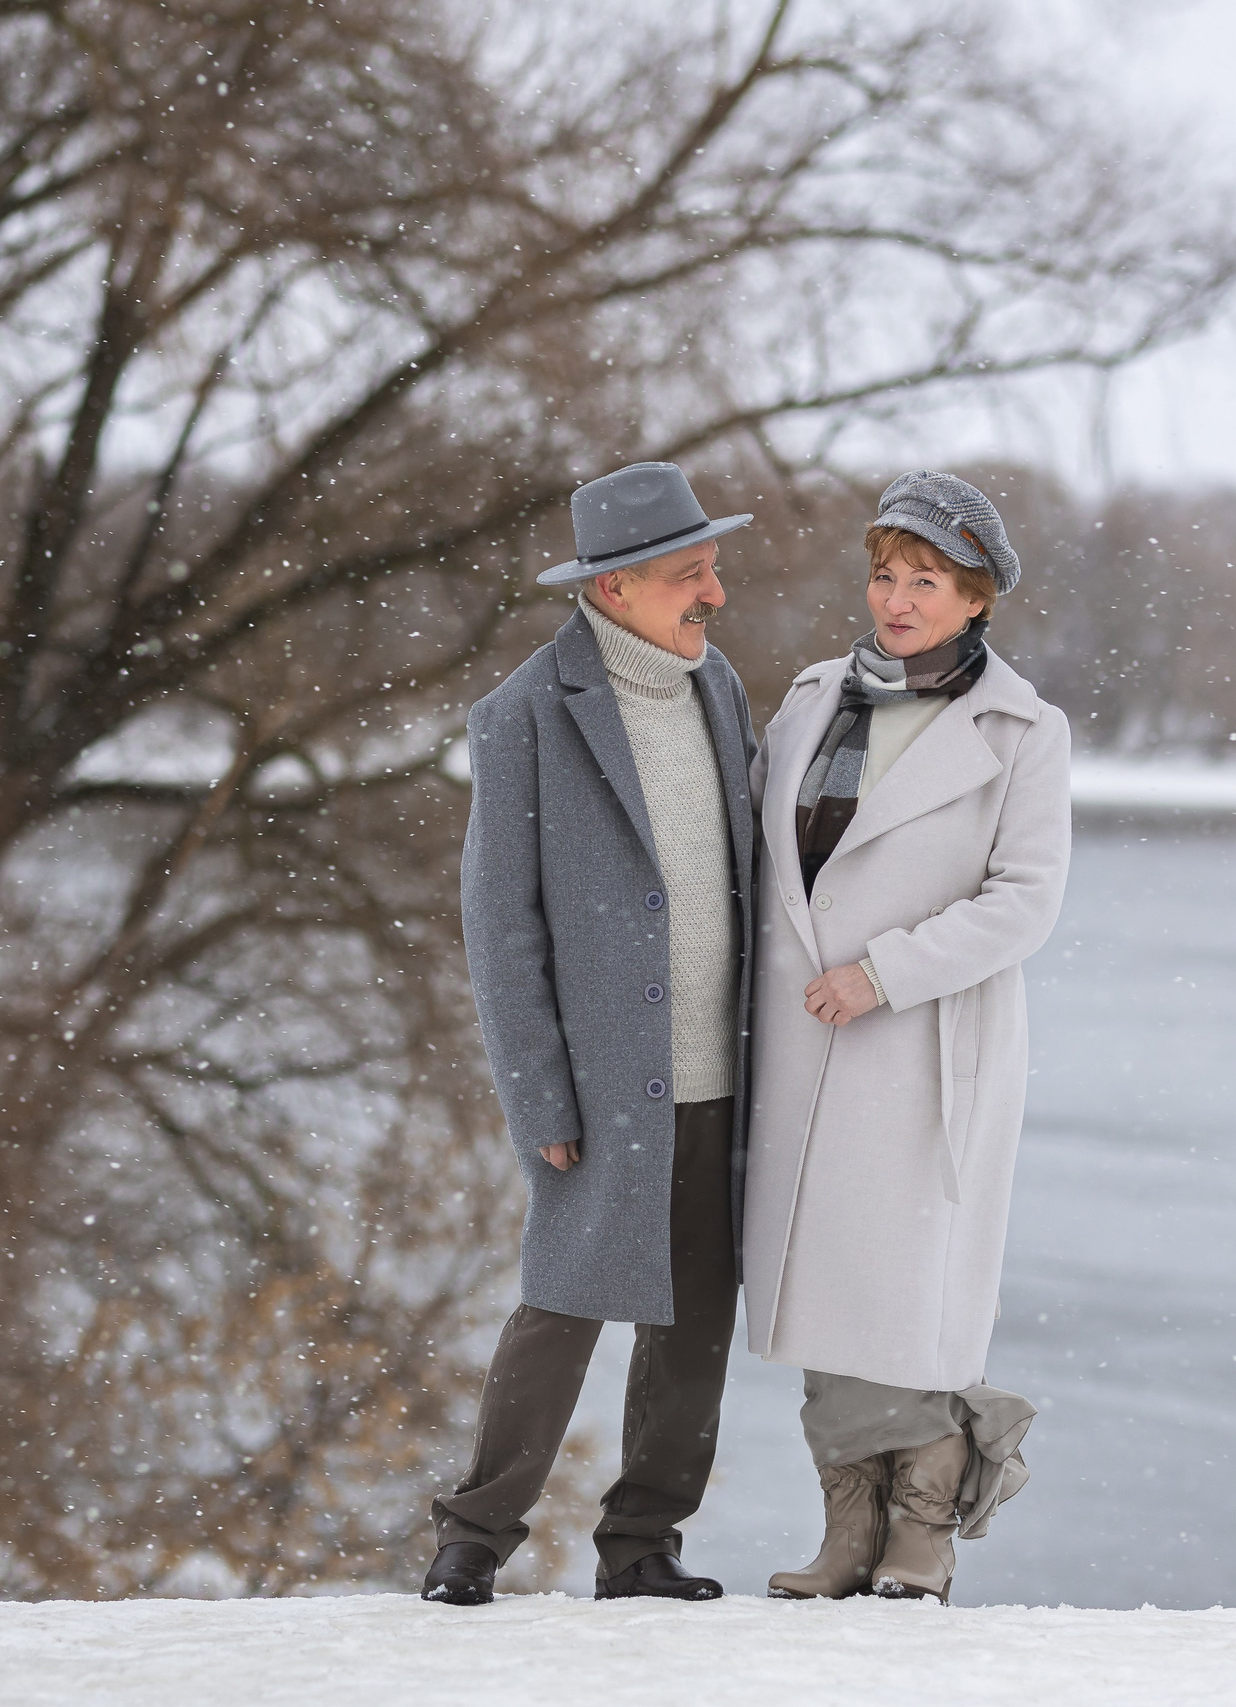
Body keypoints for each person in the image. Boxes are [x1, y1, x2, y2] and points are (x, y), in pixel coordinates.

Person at [422, 462, 759, 1607]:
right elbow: (498, 924)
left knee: (696, 1323)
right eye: (688, 575)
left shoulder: (719, 691)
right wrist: (539, 1098)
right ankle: (472, 1538)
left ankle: (643, 1547)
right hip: (603, 1085)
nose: (714, 593)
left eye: (711, 567)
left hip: (727, 1073)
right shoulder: (522, 715)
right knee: (561, 1306)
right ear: (613, 590)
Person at [741, 471, 1070, 1603]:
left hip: (924, 1043)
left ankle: (921, 1529)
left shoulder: (1023, 730)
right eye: (885, 575)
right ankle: (847, 1531)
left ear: (975, 598)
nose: (896, 600)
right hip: (798, 1043)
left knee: (911, 1290)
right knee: (820, 1284)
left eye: (925, 581)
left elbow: (1026, 901)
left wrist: (884, 974)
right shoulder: (810, 698)